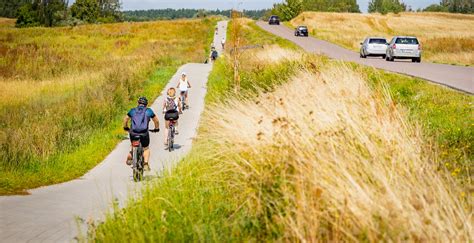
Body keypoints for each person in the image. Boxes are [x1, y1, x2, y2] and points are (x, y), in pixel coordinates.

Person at [123, 97, 159, 171]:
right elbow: (156, 121)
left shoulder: (133, 110)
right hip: (144, 133)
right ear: (146, 104)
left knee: (133, 145)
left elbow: (125, 119)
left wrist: (125, 127)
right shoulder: (148, 111)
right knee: (146, 148)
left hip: (133, 133)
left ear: (138, 103)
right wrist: (156, 128)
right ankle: (145, 163)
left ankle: (130, 156)